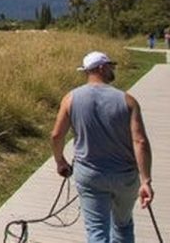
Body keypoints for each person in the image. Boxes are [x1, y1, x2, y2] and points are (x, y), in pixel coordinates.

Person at [51, 51, 153, 243]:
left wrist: (60, 161)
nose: (113, 68)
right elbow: (140, 142)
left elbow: (57, 135)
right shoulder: (127, 100)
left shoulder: (71, 99)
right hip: (125, 176)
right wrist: (146, 180)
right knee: (123, 226)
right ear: (101, 68)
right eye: (110, 65)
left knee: (97, 232)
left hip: (91, 175)